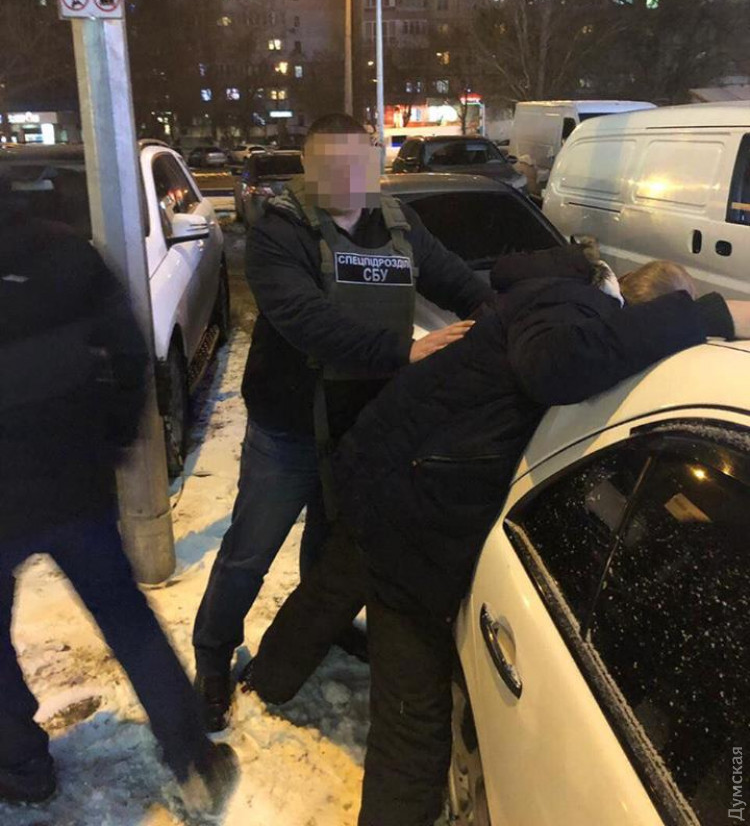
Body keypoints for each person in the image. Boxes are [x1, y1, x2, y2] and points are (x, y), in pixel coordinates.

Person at [242, 252, 749, 826]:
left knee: (335, 582)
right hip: (413, 503)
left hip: (387, 466)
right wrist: (708, 316)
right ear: (637, 311)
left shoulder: (559, 293)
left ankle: (269, 679)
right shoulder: (573, 306)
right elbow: (554, 367)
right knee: (413, 720)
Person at [192, 113, 495, 731]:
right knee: (250, 550)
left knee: (332, 546)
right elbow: (307, 321)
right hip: (291, 427)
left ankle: (322, 627)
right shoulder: (281, 232)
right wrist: (405, 351)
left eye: (357, 163)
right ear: (308, 167)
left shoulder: (400, 225)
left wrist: (509, 317)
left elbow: (461, 283)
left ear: (375, 164)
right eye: (330, 165)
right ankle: (212, 655)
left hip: (362, 427)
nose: (345, 177)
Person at [0, 173, 237, 815]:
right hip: (74, 481)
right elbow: (131, 354)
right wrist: (110, 440)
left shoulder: (64, 252)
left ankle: (21, 766)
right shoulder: (65, 251)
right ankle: (192, 756)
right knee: (126, 617)